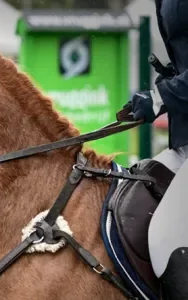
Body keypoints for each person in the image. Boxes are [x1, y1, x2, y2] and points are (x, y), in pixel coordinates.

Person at [125, 0, 188, 299]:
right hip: (183, 138)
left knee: (166, 239)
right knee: (131, 205)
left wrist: (163, 96)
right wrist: (170, 83)